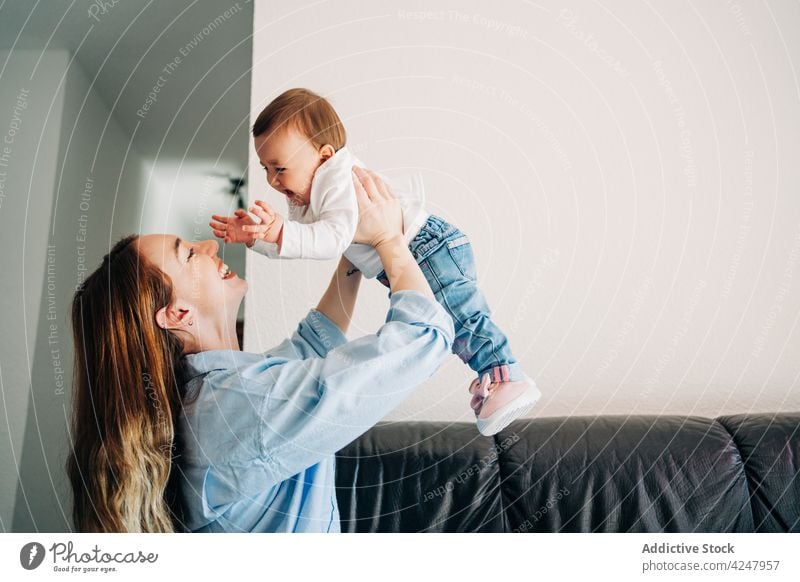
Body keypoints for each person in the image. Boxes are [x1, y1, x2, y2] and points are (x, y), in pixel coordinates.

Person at [67, 168, 453, 532]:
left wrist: (348, 239)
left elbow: (312, 345)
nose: (209, 245)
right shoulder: (239, 405)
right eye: (188, 254)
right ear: (178, 314)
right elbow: (421, 339)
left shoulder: (215, 395)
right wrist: (388, 242)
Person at [210, 87, 540, 435]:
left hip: (428, 248)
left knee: (464, 319)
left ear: (323, 155)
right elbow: (306, 238)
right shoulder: (313, 185)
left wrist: (279, 233)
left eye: (280, 168)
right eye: (265, 168)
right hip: (418, 254)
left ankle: (507, 375)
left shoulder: (335, 177)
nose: (272, 181)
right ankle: (492, 375)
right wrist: (259, 238)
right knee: (450, 325)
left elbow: (332, 238)